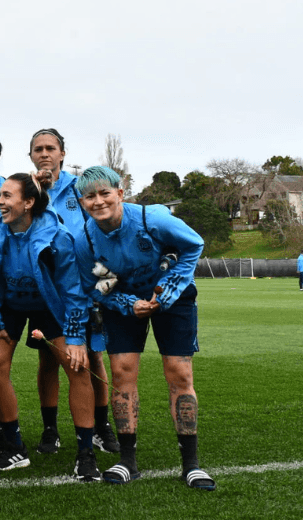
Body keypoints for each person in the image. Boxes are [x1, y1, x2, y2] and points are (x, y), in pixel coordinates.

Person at [74, 166, 215, 491]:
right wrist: (127, 303)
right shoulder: (85, 240)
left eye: (105, 193)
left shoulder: (153, 219)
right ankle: (127, 462)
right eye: (90, 196)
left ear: (120, 193)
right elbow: (93, 284)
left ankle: (191, 465)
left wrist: (167, 289)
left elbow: (194, 244)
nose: (98, 201)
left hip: (173, 298)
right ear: (82, 202)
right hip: (125, 302)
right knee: (122, 372)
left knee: (179, 372)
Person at [0, 171, 100, 481]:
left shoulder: (57, 236)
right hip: (9, 306)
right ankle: (14, 447)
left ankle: (86, 454)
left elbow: (72, 290)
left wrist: (75, 337)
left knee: (77, 367)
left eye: (7, 196)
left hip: (49, 305)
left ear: (28, 202)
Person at [27, 128, 117, 455]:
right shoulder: (27, 188)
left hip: (83, 283)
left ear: (62, 154)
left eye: (50, 148)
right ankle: (50, 429)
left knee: (93, 355)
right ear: (31, 155)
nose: (44, 154)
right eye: (38, 149)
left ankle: (101, 426)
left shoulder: (79, 188)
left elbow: (98, 224)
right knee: (49, 357)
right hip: (45, 288)